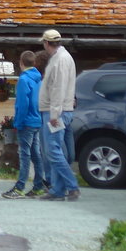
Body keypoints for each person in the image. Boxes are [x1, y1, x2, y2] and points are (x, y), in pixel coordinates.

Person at [37, 29, 80, 201]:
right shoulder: (63, 57)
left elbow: (58, 88)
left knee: (53, 151)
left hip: (56, 112)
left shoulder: (59, 60)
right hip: (62, 110)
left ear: (46, 43)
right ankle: (58, 190)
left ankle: (72, 186)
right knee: (57, 151)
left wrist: (54, 114)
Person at [2, 51, 46, 199]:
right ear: (34, 63)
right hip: (37, 120)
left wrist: (18, 123)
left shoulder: (23, 80)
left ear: (21, 63)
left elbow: (22, 104)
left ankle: (20, 187)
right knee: (36, 154)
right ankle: (39, 186)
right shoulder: (38, 80)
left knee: (24, 155)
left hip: (26, 121)